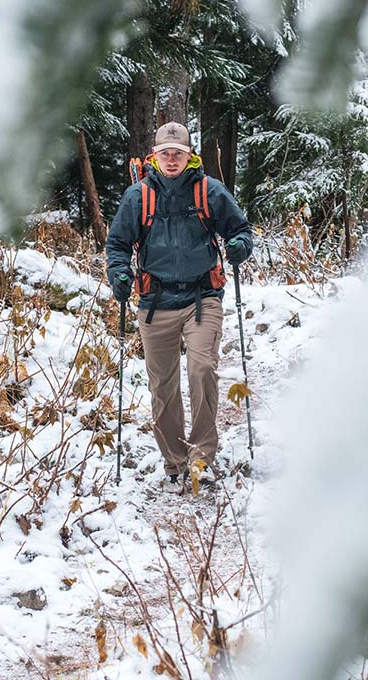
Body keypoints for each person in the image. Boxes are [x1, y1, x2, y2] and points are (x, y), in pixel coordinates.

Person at [106, 121, 253, 490]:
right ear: (153, 157)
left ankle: (201, 458)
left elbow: (241, 230)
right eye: (165, 154)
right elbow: (118, 246)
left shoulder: (209, 191)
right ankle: (174, 463)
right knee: (163, 387)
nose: (171, 160)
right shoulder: (137, 197)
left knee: (202, 368)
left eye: (178, 154)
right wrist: (119, 275)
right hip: (155, 302)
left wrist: (239, 247)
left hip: (202, 298)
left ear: (190, 156)